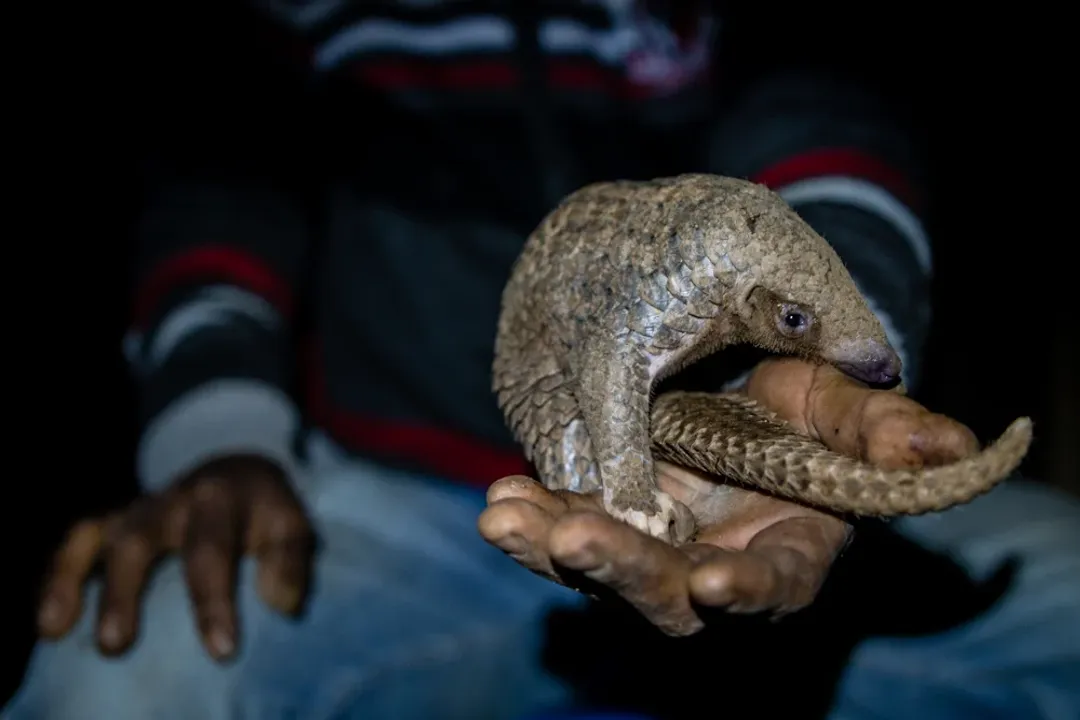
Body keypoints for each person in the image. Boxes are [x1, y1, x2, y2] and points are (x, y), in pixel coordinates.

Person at [5, 2, 1078, 718]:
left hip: (725, 448)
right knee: (116, 681)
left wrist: (831, 378)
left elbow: (827, 106)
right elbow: (222, 156)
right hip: (394, 487)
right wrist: (217, 433)